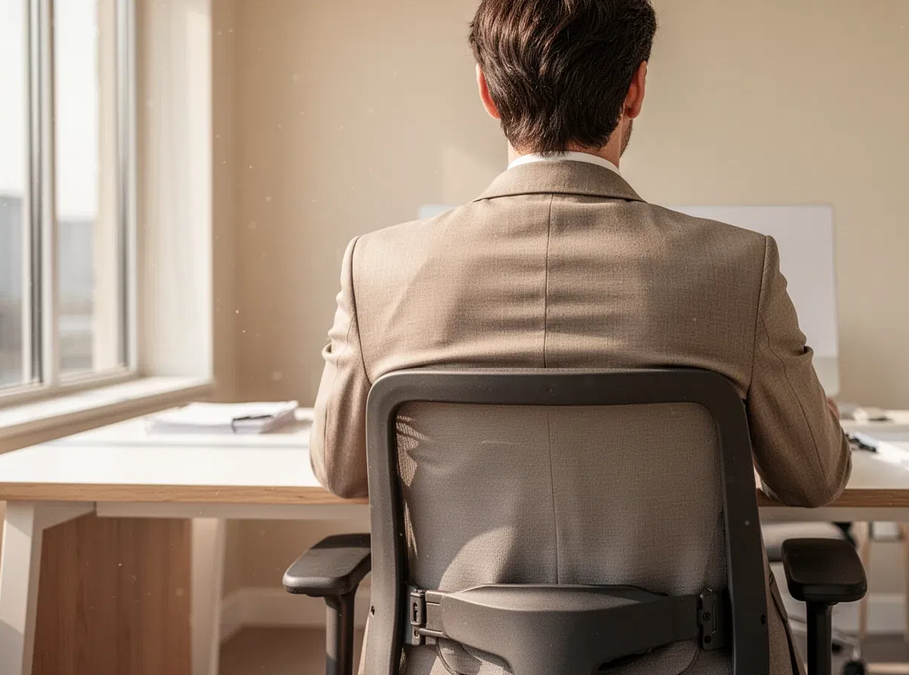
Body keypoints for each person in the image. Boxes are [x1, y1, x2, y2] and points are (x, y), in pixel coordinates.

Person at [311, 1, 850, 672]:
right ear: (636, 89)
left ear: (485, 89)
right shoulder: (738, 269)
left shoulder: (379, 269)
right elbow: (812, 477)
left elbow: (339, 469)